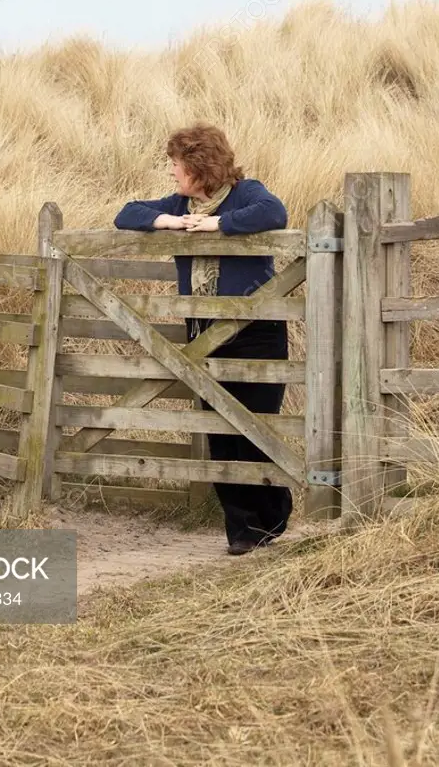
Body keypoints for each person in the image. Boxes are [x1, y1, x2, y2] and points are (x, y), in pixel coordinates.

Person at [113, 123, 292, 555]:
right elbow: (126, 214)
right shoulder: (181, 202)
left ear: (198, 165)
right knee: (220, 434)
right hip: (203, 336)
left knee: (254, 429)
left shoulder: (247, 192)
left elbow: (275, 214)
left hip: (255, 331)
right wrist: (169, 220)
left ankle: (274, 514)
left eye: (177, 164)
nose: (172, 173)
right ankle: (242, 532)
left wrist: (215, 225)